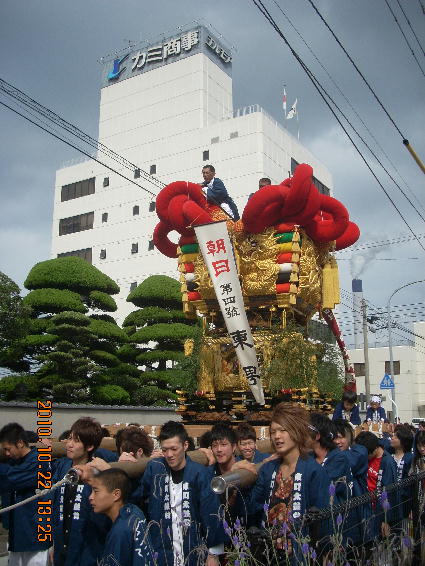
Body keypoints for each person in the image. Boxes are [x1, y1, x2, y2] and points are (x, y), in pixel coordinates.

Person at [234, 403, 330, 564]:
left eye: (282, 430)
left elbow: (324, 520)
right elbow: (251, 507)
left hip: (300, 554)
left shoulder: (313, 471)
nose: (277, 436)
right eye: (273, 432)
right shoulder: (268, 469)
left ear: (297, 430)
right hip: (269, 553)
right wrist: (241, 483)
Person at [139, 420, 224, 565]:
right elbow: (138, 496)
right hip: (162, 550)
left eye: (174, 449)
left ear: (185, 445)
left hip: (193, 548)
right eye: (165, 450)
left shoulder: (200, 474)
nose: (169, 455)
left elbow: (211, 515)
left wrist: (214, 553)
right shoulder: (155, 470)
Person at [52, 417, 111, 566]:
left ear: (90, 446)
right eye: (69, 438)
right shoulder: (62, 468)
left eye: (76, 441)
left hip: (88, 551)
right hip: (61, 547)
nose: (70, 444)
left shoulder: (97, 473)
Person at [0, 422, 50, 566]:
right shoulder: (12, 462)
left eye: (8, 449)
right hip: (17, 533)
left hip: (35, 533)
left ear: (20, 443)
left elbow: (11, 478)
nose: (7, 453)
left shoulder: (39, 461)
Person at [89, 468, 153, 566]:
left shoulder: (120, 531)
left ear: (116, 494)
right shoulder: (134, 512)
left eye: (96, 491)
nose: (91, 497)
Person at [355, 431, 400, 539]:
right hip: (366, 508)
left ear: (375, 449)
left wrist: (385, 519)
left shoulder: (387, 462)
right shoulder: (366, 459)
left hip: (378, 511)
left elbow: (389, 492)